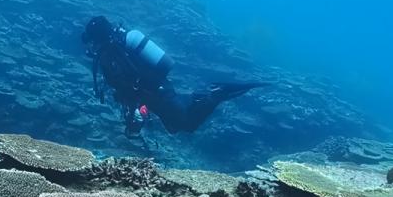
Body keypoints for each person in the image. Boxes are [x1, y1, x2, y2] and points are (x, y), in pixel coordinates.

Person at [82, 16, 265, 137]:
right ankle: (201, 96)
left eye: (92, 42)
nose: (91, 48)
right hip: (151, 97)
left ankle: (216, 93)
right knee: (174, 127)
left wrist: (138, 101)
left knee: (188, 124)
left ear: (99, 39)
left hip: (159, 93)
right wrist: (135, 110)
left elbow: (136, 81)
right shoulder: (111, 56)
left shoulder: (116, 53)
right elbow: (125, 88)